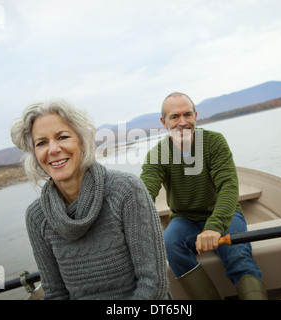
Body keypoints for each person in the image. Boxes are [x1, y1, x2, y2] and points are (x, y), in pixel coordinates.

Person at [10, 98, 170, 300]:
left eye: (62, 137)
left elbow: (153, 285)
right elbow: (55, 294)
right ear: (35, 154)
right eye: (42, 143)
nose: (53, 149)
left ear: (82, 141)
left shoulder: (126, 191)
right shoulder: (37, 216)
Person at [140, 92, 267, 300]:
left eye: (187, 115)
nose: (183, 122)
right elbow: (145, 193)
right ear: (164, 122)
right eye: (174, 117)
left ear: (196, 116)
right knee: (170, 242)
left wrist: (213, 227)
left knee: (239, 260)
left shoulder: (214, 142)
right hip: (185, 219)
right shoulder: (157, 154)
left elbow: (228, 186)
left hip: (224, 214)